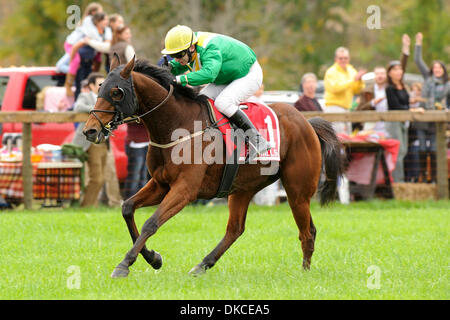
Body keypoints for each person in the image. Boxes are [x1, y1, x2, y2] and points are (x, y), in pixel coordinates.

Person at [161, 25, 270, 159]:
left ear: (191, 48)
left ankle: (257, 140)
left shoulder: (209, 47)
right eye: (173, 55)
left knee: (223, 103)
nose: (176, 59)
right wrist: (170, 67)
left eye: (178, 55)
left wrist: (180, 79)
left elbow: (209, 74)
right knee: (200, 102)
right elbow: (184, 64)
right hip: (226, 76)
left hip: (248, 74)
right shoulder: (190, 46)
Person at [357, 34, 411, 136]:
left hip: (391, 124)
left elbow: (400, 68)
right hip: (374, 127)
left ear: (387, 74)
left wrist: (405, 50)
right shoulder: (367, 91)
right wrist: (372, 103)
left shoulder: (391, 88)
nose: (380, 76)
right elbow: (359, 110)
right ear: (374, 75)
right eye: (377, 74)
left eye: (382, 73)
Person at [414, 32, 450, 183]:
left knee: (435, 148)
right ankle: (423, 177)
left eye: (439, 67)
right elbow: (418, 61)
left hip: (438, 119)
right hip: (423, 117)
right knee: (422, 147)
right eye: (434, 67)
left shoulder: (448, 84)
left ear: (443, 70)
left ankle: (435, 178)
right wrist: (418, 43)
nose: (436, 70)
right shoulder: (427, 79)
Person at [71, 72, 108, 207]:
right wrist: (99, 109)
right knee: (96, 178)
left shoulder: (106, 99)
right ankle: (86, 206)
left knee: (102, 178)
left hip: (104, 142)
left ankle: (92, 205)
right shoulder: (85, 96)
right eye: (99, 84)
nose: (102, 86)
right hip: (90, 142)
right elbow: (78, 107)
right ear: (91, 85)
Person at [61, 3, 104, 96]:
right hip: (71, 44)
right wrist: (101, 41)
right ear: (93, 12)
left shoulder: (92, 23)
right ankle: (68, 85)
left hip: (77, 45)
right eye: (100, 12)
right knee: (76, 60)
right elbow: (92, 35)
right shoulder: (88, 20)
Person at [323, 47, 366, 134]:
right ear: (336, 59)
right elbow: (335, 88)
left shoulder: (351, 70)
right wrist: (353, 80)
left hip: (347, 108)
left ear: (349, 59)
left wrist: (359, 80)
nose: (343, 60)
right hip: (334, 107)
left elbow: (357, 90)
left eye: (345, 58)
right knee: (338, 137)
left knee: (347, 137)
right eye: (340, 58)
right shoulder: (331, 72)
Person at [123, 122, 150, 199]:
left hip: (148, 142)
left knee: (144, 175)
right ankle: (129, 200)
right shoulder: (130, 110)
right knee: (134, 175)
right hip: (135, 143)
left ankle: (142, 200)